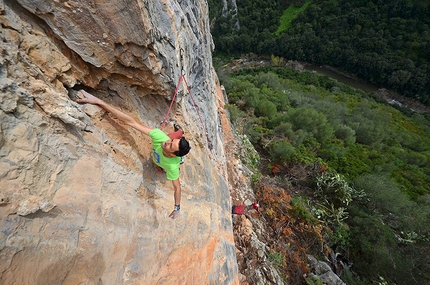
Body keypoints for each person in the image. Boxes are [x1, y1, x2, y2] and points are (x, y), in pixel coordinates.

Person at [77, 90, 191, 219]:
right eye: (170, 142)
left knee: (161, 169)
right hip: (166, 155)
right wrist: (99, 102)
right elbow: (131, 122)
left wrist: (177, 208)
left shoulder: (172, 167)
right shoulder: (161, 137)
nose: (167, 143)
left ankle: (179, 143)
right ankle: (180, 132)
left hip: (168, 162)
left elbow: (177, 188)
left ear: (173, 154)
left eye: (170, 145)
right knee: (171, 135)